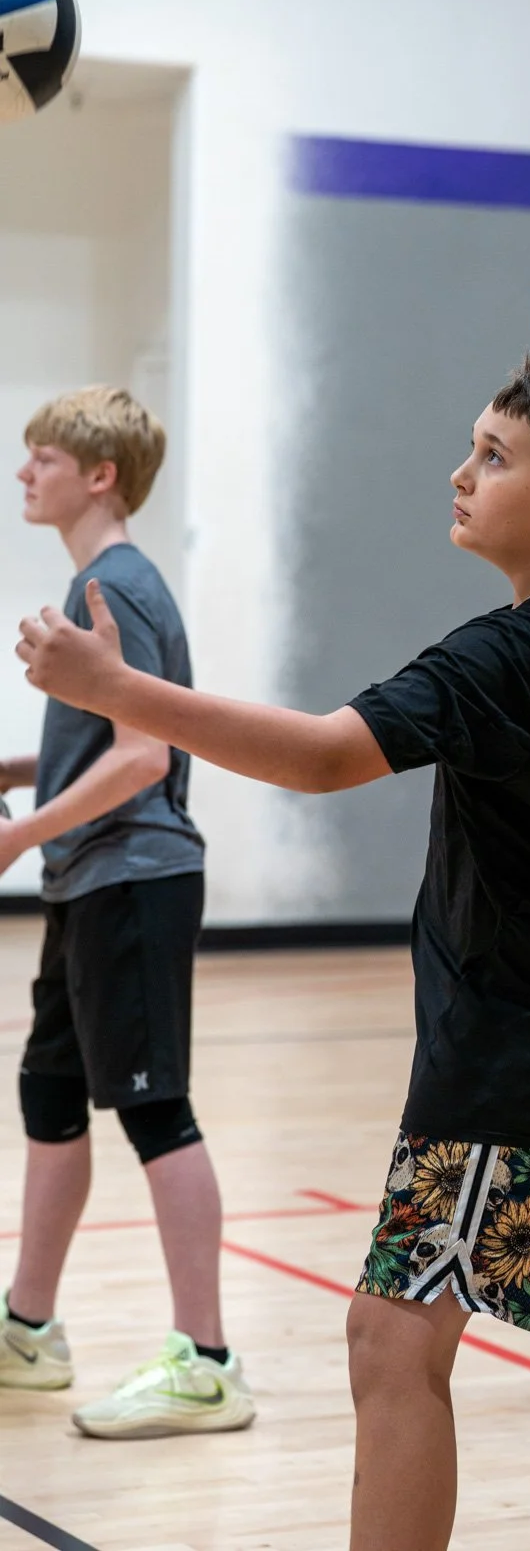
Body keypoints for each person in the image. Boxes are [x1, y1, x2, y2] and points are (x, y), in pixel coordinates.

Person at [16, 215, 530, 1549]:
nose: (460, 473)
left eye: (494, 457)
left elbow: (329, 757)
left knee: (392, 1343)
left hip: (501, 1066)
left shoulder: (498, 662)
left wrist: (115, 689)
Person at [0, 386, 254, 1439]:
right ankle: (27, 1331)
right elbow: (114, 739)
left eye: (44, 458)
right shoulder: (99, 583)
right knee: (51, 1093)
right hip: (87, 879)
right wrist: (24, 769)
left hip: (135, 878)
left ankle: (206, 1359)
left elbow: (147, 756)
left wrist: (18, 834)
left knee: (154, 1109)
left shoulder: (118, 589)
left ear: (99, 476)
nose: (25, 473)